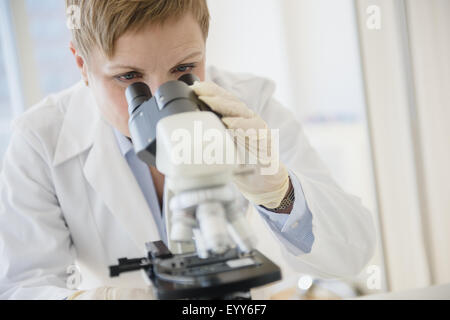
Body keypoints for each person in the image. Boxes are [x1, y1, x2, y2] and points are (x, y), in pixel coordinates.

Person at [0, 0, 375, 300]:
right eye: (129, 79)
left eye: (184, 69)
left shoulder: (252, 104)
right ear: (82, 66)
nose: (162, 101)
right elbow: (21, 286)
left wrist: (280, 193)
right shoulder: (40, 141)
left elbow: (353, 251)